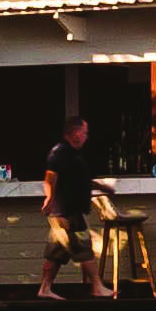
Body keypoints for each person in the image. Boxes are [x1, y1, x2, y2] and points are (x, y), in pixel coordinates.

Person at [46, 106, 103, 298]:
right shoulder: (60, 152)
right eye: (85, 133)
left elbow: (79, 179)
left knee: (56, 254)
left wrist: (103, 187)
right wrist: (49, 199)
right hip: (67, 211)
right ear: (76, 133)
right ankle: (97, 287)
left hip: (66, 211)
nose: (87, 137)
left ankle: (44, 288)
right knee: (83, 249)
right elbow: (51, 176)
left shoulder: (71, 154)